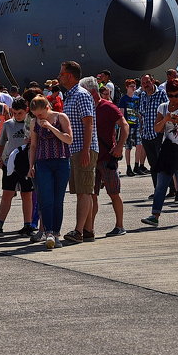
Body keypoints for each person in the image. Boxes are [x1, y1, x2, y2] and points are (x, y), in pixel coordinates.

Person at [141, 84, 178, 227]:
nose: (173, 99)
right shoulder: (163, 107)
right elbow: (157, 128)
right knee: (161, 185)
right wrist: (165, 119)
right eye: (170, 95)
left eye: (176, 95)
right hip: (168, 149)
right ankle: (155, 215)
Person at [26, 95, 73, 248]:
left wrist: (51, 127)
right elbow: (33, 145)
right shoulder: (34, 122)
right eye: (35, 115)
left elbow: (68, 139)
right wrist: (31, 165)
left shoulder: (61, 117)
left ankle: (56, 233)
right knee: (46, 199)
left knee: (58, 200)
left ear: (47, 107)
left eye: (40, 114)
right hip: (43, 162)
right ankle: (49, 233)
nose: (38, 117)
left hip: (61, 160)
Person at [58, 61, 97, 244]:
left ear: (70, 76)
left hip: (83, 148)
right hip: (75, 148)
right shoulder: (70, 95)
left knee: (84, 191)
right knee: (82, 190)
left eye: (62, 73)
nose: (59, 76)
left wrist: (86, 150)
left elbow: (88, 122)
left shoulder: (81, 95)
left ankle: (79, 231)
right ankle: (88, 229)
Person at [83, 76, 126, 237]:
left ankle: (119, 225)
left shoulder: (108, 106)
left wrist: (120, 146)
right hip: (92, 158)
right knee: (91, 195)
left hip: (107, 158)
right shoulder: (88, 107)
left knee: (113, 193)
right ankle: (89, 228)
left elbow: (125, 125)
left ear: (92, 92)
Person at [0, 98, 34, 237]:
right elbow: (1, 142)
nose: (17, 116)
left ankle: (27, 225)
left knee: (27, 194)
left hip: (27, 163)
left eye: (20, 113)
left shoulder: (31, 124)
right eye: (14, 113)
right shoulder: (8, 124)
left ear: (26, 111)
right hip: (11, 164)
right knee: (7, 193)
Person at [117, 79, 140, 175]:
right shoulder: (123, 99)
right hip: (128, 125)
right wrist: (123, 126)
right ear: (127, 87)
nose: (133, 88)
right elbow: (121, 113)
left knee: (139, 145)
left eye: (134, 86)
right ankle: (128, 167)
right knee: (128, 147)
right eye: (131, 86)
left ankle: (136, 165)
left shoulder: (137, 98)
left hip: (137, 124)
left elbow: (138, 112)